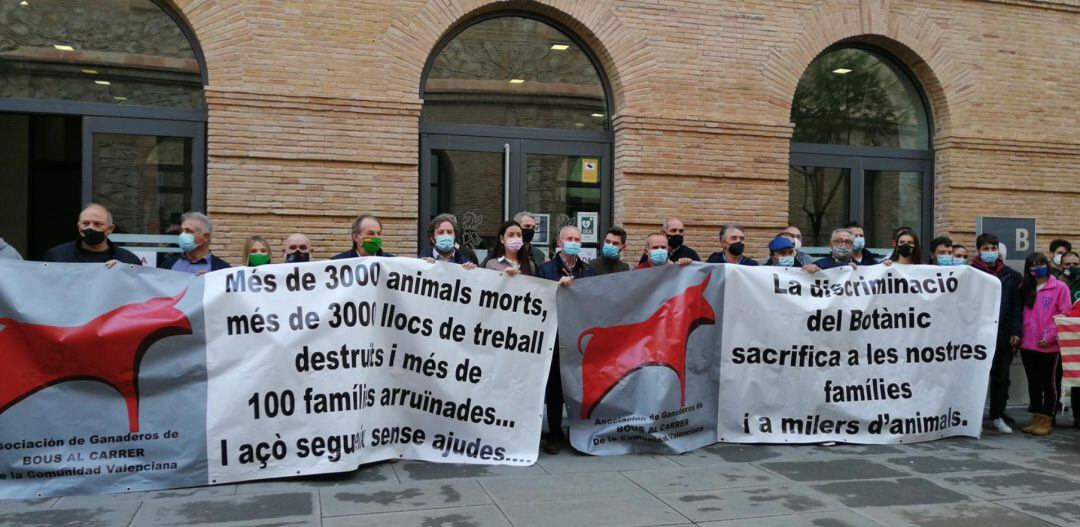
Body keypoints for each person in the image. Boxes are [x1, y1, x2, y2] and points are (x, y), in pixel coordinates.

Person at [536, 226, 597, 454]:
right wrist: (556, 288)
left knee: (579, 387)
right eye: (569, 239)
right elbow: (539, 300)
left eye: (577, 239)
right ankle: (554, 434)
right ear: (559, 242)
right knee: (554, 388)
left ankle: (578, 432)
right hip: (556, 336)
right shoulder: (545, 270)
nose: (573, 242)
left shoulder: (588, 271)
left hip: (580, 339)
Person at [1017, 252, 1073, 436]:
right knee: (1033, 382)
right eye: (1032, 265)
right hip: (1027, 343)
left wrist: (1051, 336)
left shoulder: (1060, 287)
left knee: (1048, 383)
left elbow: (1065, 315)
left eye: (1040, 263)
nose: (1037, 267)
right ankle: (1035, 417)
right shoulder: (1024, 287)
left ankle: (1047, 418)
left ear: (1047, 265)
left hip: (1048, 345)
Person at [971, 233, 1023, 433]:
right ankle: (973, 416)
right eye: (986, 249)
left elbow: (1016, 306)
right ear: (979, 251)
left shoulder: (1010, 275)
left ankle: (997, 415)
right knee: (975, 377)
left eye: (994, 248)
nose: (991, 252)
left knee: (1001, 377)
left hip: (1003, 335)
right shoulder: (970, 272)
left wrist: (1016, 331)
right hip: (977, 335)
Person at [44, 203, 141, 267]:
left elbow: (139, 293)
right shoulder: (57, 256)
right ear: (79, 227)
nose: (91, 228)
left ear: (110, 229)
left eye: (98, 224)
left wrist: (125, 272)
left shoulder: (128, 260)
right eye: (85, 223)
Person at [159, 211, 231, 273]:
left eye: (189, 231)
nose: (182, 235)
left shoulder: (222, 269)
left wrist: (210, 280)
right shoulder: (168, 264)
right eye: (181, 231)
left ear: (206, 237)